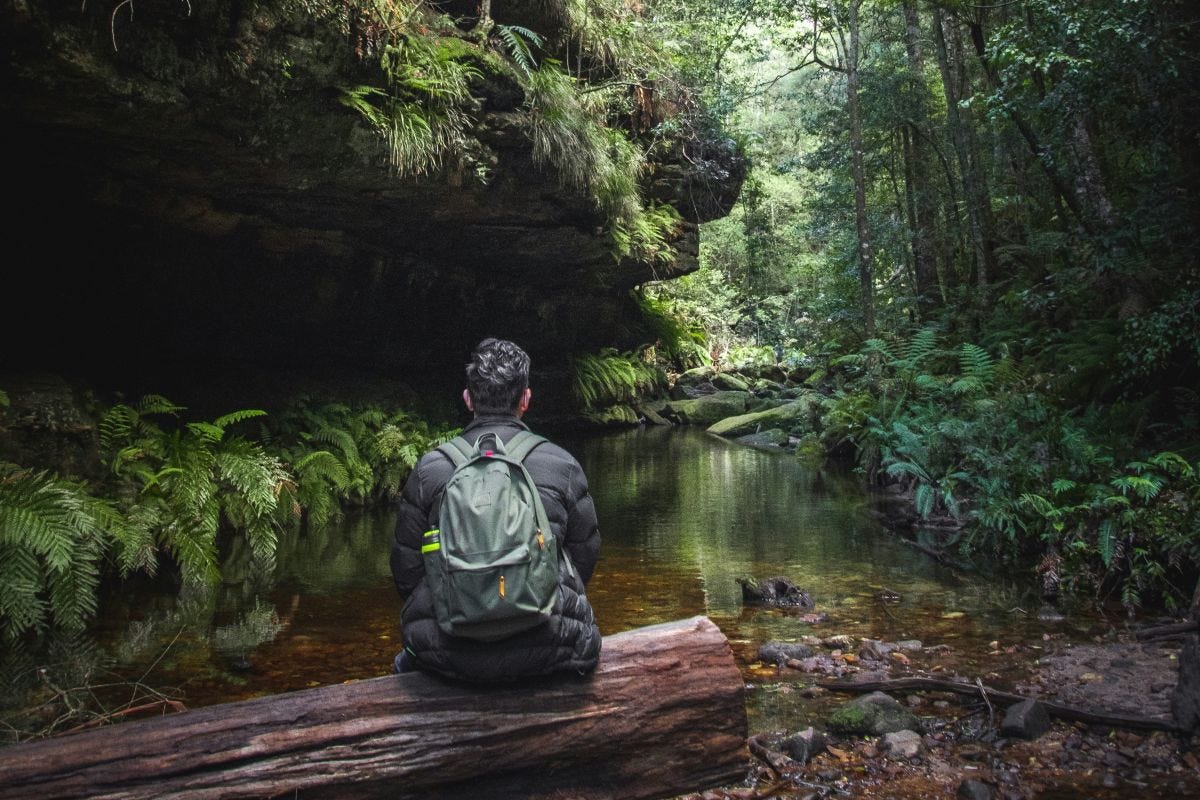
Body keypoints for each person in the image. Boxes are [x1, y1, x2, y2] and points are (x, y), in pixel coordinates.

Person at [389, 337, 602, 682]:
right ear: (526, 399)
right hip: (550, 645)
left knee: (406, 661)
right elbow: (584, 556)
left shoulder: (431, 470)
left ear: (468, 399)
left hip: (448, 652)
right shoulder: (562, 465)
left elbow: (407, 569)